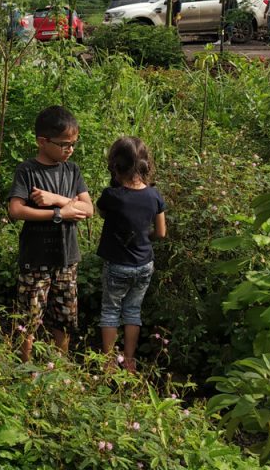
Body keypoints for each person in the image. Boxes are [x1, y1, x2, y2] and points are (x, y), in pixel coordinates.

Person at [8, 106, 93, 362]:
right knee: (29, 317)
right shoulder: (27, 170)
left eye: (73, 144)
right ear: (42, 142)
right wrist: (59, 214)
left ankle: (59, 367)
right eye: (64, 144)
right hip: (36, 258)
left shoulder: (72, 171)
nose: (70, 150)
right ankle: (24, 365)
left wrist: (56, 200)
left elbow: (88, 209)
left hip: (67, 258)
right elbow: (15, 209)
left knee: (65, 317)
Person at [96, 136, 167, 374]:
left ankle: (108, 363)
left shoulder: (111, 196)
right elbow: (162, 232)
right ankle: (129, 360)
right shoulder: (154, 195)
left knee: (110, 310)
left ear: (116, 165)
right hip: (144, 264)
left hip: (118, 265)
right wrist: (145, 238)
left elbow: (102, 214)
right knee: (132, 311)